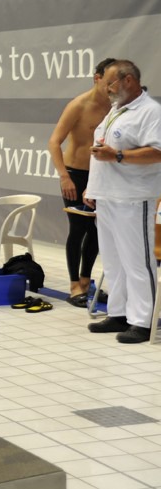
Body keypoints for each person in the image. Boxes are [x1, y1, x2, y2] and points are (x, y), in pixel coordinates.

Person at [85, 60, 161, 344]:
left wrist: (118, 156)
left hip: (133, 197)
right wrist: (93, 188)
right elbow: (102, 150)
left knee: (137, 262)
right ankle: (118, 313)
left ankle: (143, 322)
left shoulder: (150, 111)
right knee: (113, 261)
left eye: (110, 84)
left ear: (128, 80)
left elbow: (157, 152)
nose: (106, 90)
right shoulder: (117, 109)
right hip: (107, 196)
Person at [47, 58, 115, 306]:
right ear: (97, 78)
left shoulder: (116, 107)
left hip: (102, 175)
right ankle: (74, 284)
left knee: (98, 231)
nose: (112, 87)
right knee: (78, 229)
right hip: (74, 175)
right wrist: (64, 175)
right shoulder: (79, 105)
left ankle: (87, 281)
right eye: (109, 82)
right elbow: (54, 141)